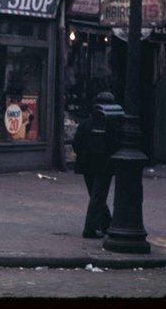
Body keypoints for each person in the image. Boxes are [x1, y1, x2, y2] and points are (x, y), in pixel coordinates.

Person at [72, 92, 117, 238]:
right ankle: (91, 228)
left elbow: (76, 142)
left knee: (96, 195)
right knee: (98, 196)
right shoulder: (111, 123)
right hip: (103, 165)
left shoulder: (87, 122)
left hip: (87, 164)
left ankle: (106, 223)